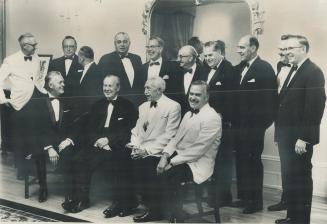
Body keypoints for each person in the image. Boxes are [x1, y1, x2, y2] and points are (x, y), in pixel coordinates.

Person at [63, 75, 138, 215]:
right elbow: (89, 128)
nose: (107, 89)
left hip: (116, 145)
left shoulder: (128, 106)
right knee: (79, 159)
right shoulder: (97, 105)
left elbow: (129, 129)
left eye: (110, 86)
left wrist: (109, 140)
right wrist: (98, 141)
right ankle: (81, 199)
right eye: (105, 85)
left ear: (118, 88)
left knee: (119, 162)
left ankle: (119, 203)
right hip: (98, 144)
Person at [274, 35, 326, 224]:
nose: (286, 53)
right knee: (290, 176)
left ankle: (301, 220)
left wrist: (304, 138)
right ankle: (292, 217)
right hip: (286, 135)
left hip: (299, 138)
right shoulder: (292, 69)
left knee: (301, 177)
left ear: (303, 49)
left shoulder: (313, 71)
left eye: (290, 49)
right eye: (285, 49)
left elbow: (315, 108)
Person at [157, 80, 222, 222]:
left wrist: (171, 163)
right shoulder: (188, 114)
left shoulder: (212, 117)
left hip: (199, 164)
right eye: (191, 94)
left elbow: (197, 150)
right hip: (183, 159)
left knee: (170, 175)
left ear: (207, 97)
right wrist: (165, 156)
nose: (192, 97)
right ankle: (167, 212)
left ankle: (175, 216)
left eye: (197, 95)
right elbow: (175, 139)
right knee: (153, 165)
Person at [234, 35, 278, 214]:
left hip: (253, 127)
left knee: (252, 163)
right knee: (242, 161)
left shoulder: (264, 68)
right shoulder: (239, 68)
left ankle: (256, 202)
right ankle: (244, 198)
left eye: (242, 47)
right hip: (239, 126)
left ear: (253, 48)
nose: (239, 50)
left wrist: (259, 126)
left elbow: (270, 102)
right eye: (238, 47)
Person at [129, 76, 181, 222]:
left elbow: (170, 135)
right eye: (144, 88)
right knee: (122, 159)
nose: (145, 91)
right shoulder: (143, 106)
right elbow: (136, 131)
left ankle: (155, 210)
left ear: (160, 90)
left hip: (162, 151)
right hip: (142, 149)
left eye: (148, 88)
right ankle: (126, 203)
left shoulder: (173, 106)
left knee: (147, 164)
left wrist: (147, 151)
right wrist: (135, 147)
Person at [25, 71, 75, 203]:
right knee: (39, 153)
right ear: (51, 85)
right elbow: (37, 129)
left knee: (71, 152)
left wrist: (67, 140)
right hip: (42, 141)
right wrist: (48, 147)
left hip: (62, 140)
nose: (64, 84)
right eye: (60, 82)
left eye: (63, 81)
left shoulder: (67, 100)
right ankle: (43, 188)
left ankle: (69, 192)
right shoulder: (38, 102)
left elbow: (73, 124)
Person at [0, 33, 45, 179]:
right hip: (19, 103)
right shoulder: (10, 60)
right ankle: (22, 170)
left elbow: (38, 78)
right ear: (24, 46)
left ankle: (31, 167)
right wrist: (3, 100)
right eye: (33, 45)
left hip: (35, 101)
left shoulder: (37, 58)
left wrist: (42, 91)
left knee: (32, 135)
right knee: (20, 137)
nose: (36, 47)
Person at [203, 40, 238, 207]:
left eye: (210, 55)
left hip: (224, 124)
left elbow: (232, 101)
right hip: (209, 123)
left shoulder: (229, 70)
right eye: (205, 55)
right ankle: (214, 195)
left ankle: (222, 197)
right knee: (212, 158)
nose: (207, 58)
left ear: (221, 53)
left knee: (222, 160)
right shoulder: (206, 70)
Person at [267, 35, 292, 212]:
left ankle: (292, 202)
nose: (282, 53)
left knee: (294, 166)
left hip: (294, 124)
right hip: (280, 122)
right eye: (280, 50)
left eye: (285, 50)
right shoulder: (279, 66)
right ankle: (286, 200)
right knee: (285, 163)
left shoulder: (302, 70)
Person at [97, 32, 143, 106]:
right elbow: (99, 84)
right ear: (115, 44)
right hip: (115, 103)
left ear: (129, 43)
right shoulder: (106, 59)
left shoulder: (137, 59)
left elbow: (140, 83)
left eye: (125, 42)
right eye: (119, 42)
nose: (122, 44)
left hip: (135, 103)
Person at [139, 36, 182, 101]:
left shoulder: (172, 67)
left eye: (152, 46)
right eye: (148, 47)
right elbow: (139, 91)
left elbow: (176, 91)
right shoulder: (142, 68)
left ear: (160, 49)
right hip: (146, 106)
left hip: (166, 107)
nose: (149, 49)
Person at [175, 45, 206, 115]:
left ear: (191, 58)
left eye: (181, 56)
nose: (178, 59)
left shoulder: (204, 72)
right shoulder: (175, 71)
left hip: (197, 114)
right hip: (178, 114)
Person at [73, 46, 103, 120]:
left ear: (82, 58)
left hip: (89, 115)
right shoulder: (91, 69)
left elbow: (92, 97)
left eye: (78, 56)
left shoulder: (95, 71)